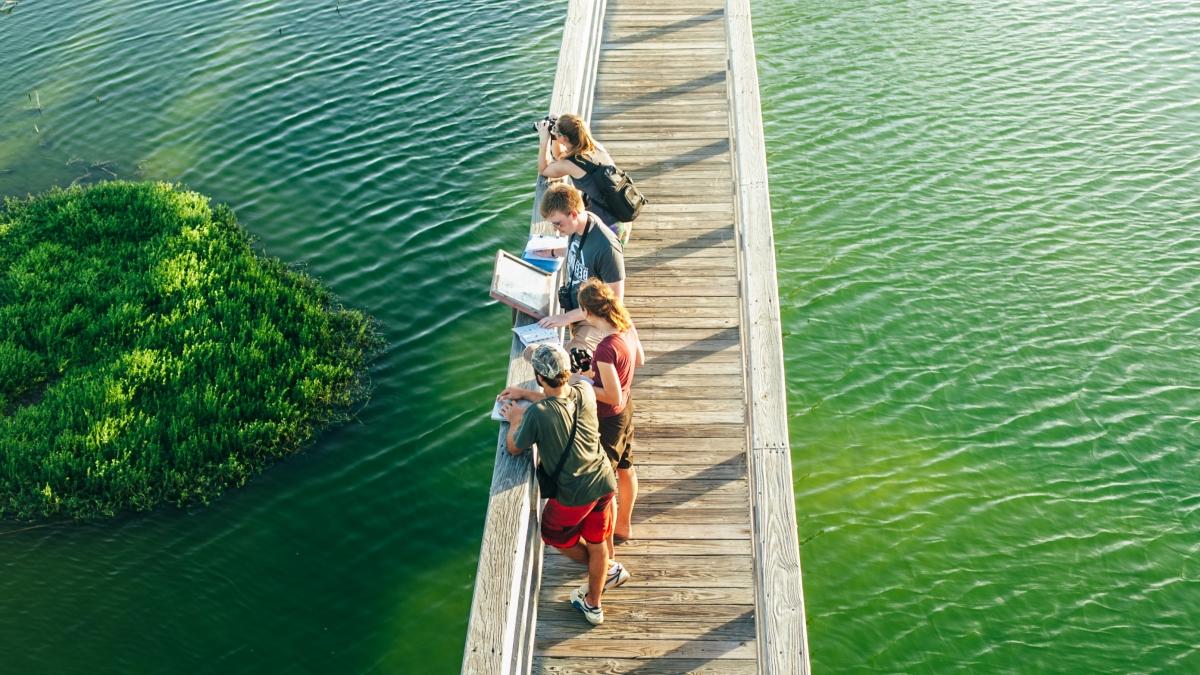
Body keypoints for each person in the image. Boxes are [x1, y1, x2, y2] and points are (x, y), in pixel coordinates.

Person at [498, 344, 631, 625]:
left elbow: (514, 447)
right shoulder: (584, 392)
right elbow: (559, 400)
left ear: (539, 377)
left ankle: (606, 569)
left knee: (555, 535)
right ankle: (594, 602)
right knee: (597, 542)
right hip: (604, 480)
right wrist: (527, 395)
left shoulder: (537, 414)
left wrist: (515, 418)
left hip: (575, 493)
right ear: (567, 372)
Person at [577, 278, 644, 543]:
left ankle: (606, 541)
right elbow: (639, 359)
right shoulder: (624, 325)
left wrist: (581, 383)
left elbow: (610, 394)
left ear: (588, 312)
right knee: (626, 467)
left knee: (605, 485)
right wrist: (593, 374)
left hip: (610, 418)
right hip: (626, 407)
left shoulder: (605, 348)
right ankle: (624, 527)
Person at [535, 183, 625, 360]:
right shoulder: (578, 226)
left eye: (558, 224)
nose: (556, 230)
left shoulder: (607, 247)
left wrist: (566, 317)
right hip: (577, 312)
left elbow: (614, 302)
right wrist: (553, 252)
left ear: (574, 214)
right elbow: (579, 250)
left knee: (568, 362)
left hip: (595, 321)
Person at [535, 113, 629, 243]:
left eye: (557, 131)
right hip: (621, 217)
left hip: (608, 227)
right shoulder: (593, 146)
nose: (554, 132)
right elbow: (560, 156)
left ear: (565, 138)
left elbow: (544, 170)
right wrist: (555, 136)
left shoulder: (571, 164)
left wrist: (543, 141)